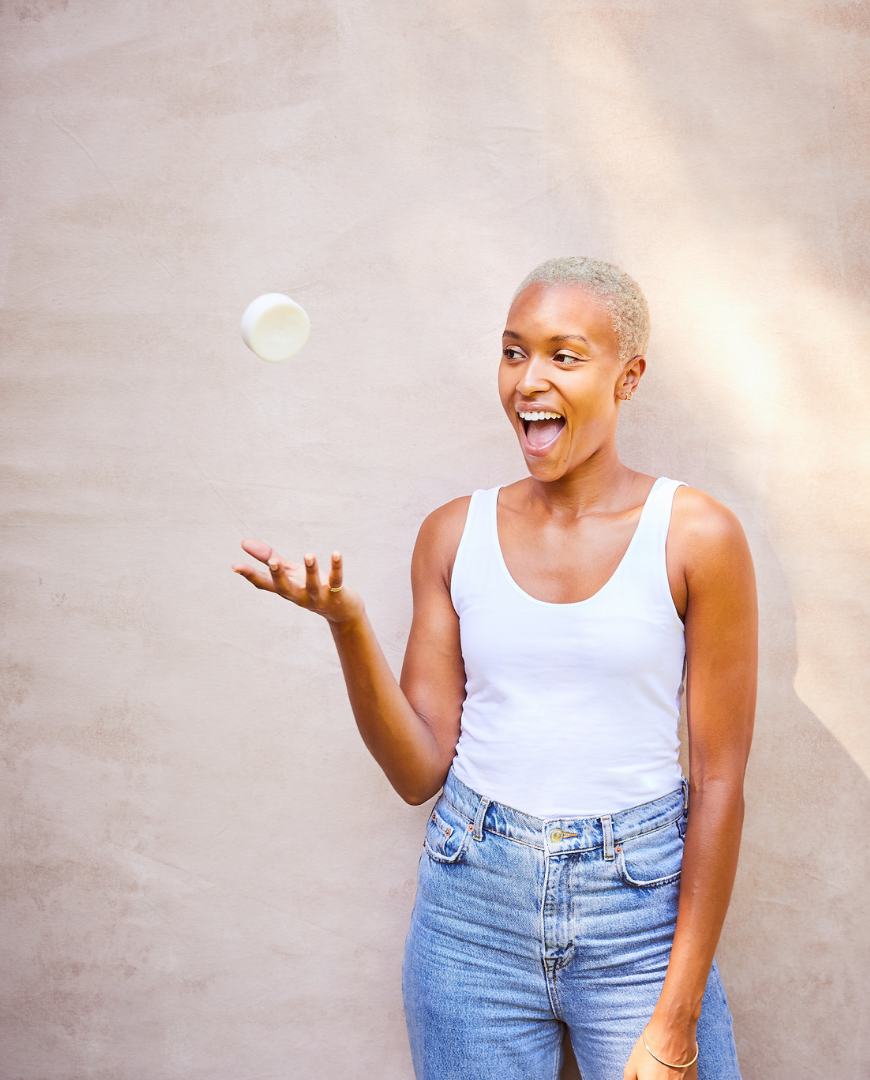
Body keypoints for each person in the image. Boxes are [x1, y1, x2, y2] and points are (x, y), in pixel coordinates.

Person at [232, 257, 757, 1080]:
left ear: (628, 377)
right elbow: (418, 772)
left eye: (564, 356)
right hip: (471, 912)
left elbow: (719, 781)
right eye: (513, 352)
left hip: (639, 916)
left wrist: (678, 1014)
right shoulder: (453, 536)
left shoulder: (696, 535)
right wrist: (348, 626)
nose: (528, 380)